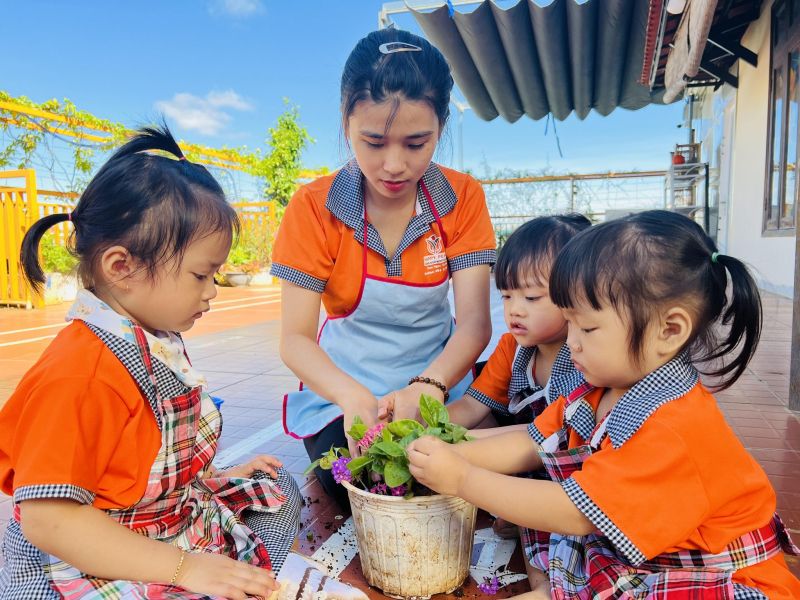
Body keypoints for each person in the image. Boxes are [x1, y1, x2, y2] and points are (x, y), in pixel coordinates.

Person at [407, 210, 800, 598]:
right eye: (570, 322)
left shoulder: (675, 428)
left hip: (712, 577)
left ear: (669, 330)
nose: (572, 341)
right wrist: (445, 451)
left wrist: (462, 479)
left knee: (554, 533)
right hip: (649, 551)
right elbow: (532, 441)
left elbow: (577, 512)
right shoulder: (600, 386)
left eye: (588, 328)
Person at [0, 126, 301, 599]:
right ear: (121, 267)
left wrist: (210, 477)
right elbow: (50, 520)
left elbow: (137, 459)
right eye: (201, 274)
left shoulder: (150, 335)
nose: (212, 292)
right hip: (87, 555)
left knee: (277, 486)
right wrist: (186, 568)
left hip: (160, 519)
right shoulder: (81, 374)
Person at [271, 28, 495, 508]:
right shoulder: (314, 207)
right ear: (346, 122)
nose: (394, 165)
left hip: (438, 380)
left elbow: (475, 324)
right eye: (373, 141)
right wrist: (354, 399)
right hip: (344, 387)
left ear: (441, 127)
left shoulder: (462, 199)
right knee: (360, 480)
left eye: (417, 143)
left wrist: (427, 387)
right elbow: (295, 340)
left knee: (457, 477)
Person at [445, 215, 589, 434]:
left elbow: (552, 436)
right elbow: (472, 405)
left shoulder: (589, 359)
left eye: (531, 298)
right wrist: (418, 427)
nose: (515, 310)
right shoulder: (512, 349)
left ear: (578, 294)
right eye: (507, 296)